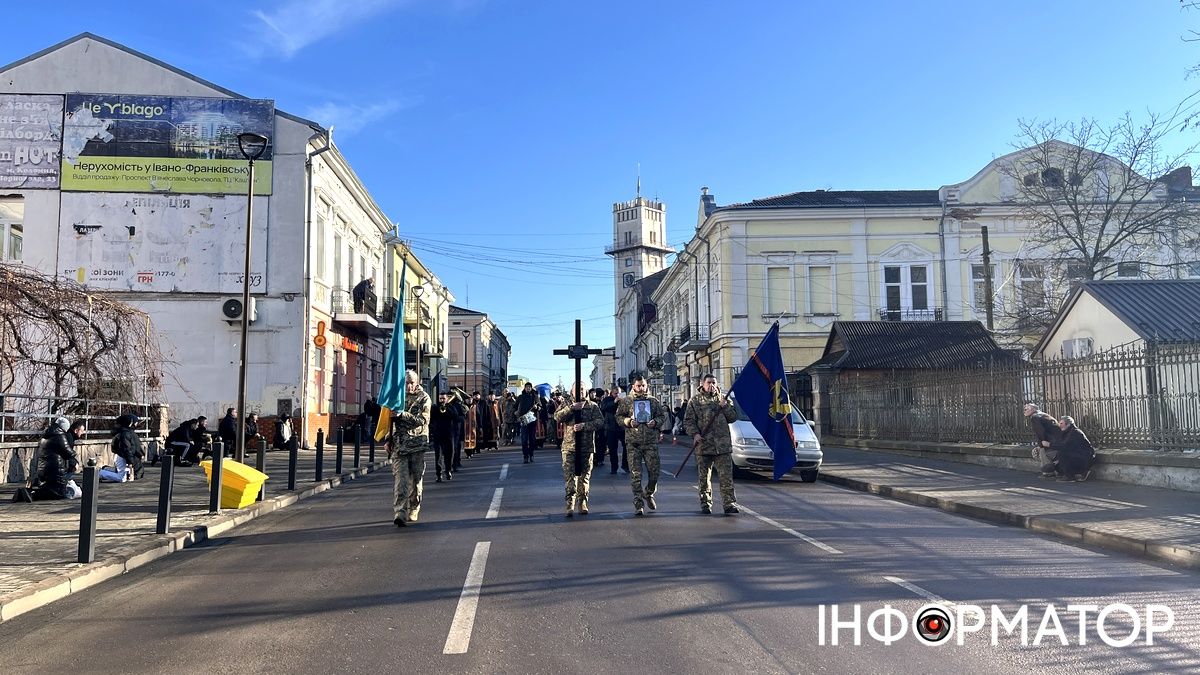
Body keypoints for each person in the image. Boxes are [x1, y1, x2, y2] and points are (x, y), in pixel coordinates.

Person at [685, 374, 741, 515]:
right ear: (702, 384)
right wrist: (695, 434)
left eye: (714, 382)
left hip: (722, 446)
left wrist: (725, 406)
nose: (711, 385)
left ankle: (729, 503)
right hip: (704, 445)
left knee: (726, 477)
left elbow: (733, 417)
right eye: (709, 382)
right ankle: (705, 503)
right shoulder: (695, 400)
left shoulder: (724, 398)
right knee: (704, 478)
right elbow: (688, 421)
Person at [616, 374, 668, 516]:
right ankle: (638, 503)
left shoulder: (653, 401)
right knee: (636, 474)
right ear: (633, 386)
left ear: (646, 386)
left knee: (654, 473)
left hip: (650, 442)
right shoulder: (627, 401)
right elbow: (618, 417)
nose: (641, 388)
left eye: (643, 385)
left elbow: (662, 416)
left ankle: (649, 493)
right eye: (638, 386)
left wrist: (655, 422)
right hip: (633, 443)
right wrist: (628, 422)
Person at [387, 370, 431, 527]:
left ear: (417, 382)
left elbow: (422, 420)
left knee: (416, 481)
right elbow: (390, 421)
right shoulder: (397, 397)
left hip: (417, 445)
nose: (409, 386)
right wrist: (388, 439)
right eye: (406, 383)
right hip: (400, 446)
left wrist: (402, 414)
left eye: (411, 383)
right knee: (401, 481)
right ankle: (400, 512)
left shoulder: (424, 398)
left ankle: (414, 507)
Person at [554, 383, 604, 517]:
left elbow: (600, 422)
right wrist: (571, 408)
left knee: (584, 477)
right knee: (570, 477)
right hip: (569, 447)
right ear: (571, 391)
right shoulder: (566, 403)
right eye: (577, 389)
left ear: (586, 391)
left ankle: (582, 502)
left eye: (582, 389)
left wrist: (585, 426)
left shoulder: (592, 406)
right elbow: (557, 417)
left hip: (586, 447)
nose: (580, 391)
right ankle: (570, 503)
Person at [30, 417, 81, 500]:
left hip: (43, 468)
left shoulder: (46, 435)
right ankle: (32, 494)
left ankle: (33, 493)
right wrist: (74, 457)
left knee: (52, 488)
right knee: (59, 492)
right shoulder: (59, 435)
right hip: (55, 469)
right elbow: (68, 452)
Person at [1051, 416, 1097, 482]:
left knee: (1062, 453)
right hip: (1078, 455)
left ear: (1068, 424)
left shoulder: (1075, 432)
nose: (1059, 425)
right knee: (1058, 466)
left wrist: (1050, 445)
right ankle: (1073, 473)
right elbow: (1060, 443)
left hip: (1085, 458)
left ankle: (1070, 476)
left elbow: (1065, 446)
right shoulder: (1066, 432)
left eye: (1061, 423)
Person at [429, 391, 461, 482]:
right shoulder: (435, 408)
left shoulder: (451, 407)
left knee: (449, 454)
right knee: (438, 455)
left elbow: (456, 417)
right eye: (440, 398)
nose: (442, 400)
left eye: (443, 398)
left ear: (447, 399)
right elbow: (431, 419)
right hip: (438, 434)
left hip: (449, 434)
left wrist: (447, 408)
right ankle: (438, 474)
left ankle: (448, 470)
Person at [1024, 403, 1060, 478]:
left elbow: (1040, 431)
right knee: (1044, 452)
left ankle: (1048, 472)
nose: (1024, 411)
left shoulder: (1034, 417)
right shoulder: (1042, 415)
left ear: (1033, 410)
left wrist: (1041, 444)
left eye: (1026, 409)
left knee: (1042, 452)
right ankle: (1053, 469)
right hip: (1057, 439)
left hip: (1051, 440)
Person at [111, 413, 145, 480]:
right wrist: (130, 462)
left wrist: (140, 454)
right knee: (122, 478)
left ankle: (105, 470)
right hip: (124, 457)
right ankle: (101, 473)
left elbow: (135, 446)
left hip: (130, 458)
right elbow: (127, 448)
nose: (136, 424)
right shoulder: (125, 434)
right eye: (135, 422)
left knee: (133, 475)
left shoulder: (130, 433)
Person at [600, 387, 625, 474]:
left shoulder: (624, 400)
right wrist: (614, 401)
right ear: (612, 393)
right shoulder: (607, 400)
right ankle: (614, 467)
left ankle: (625, 465)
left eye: (619, 393)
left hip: (622, 427)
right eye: (615, 393)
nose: (617, 395)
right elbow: (603, 408)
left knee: (627, 446)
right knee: (612, 449)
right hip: (611, 427)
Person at [516, 382, 541, 463]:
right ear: (524, 388)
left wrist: (537, 407)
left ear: (531, 388)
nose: (528, 388)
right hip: (523, 420)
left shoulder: (535, 397)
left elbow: (540, 407)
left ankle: (531, 454)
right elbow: (515, 407)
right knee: (524, 439)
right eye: (527, 387)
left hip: (532, 420)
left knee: (532, 439)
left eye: (529, 387)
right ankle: (525, 456)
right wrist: (516, 414)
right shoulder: (521, 397)